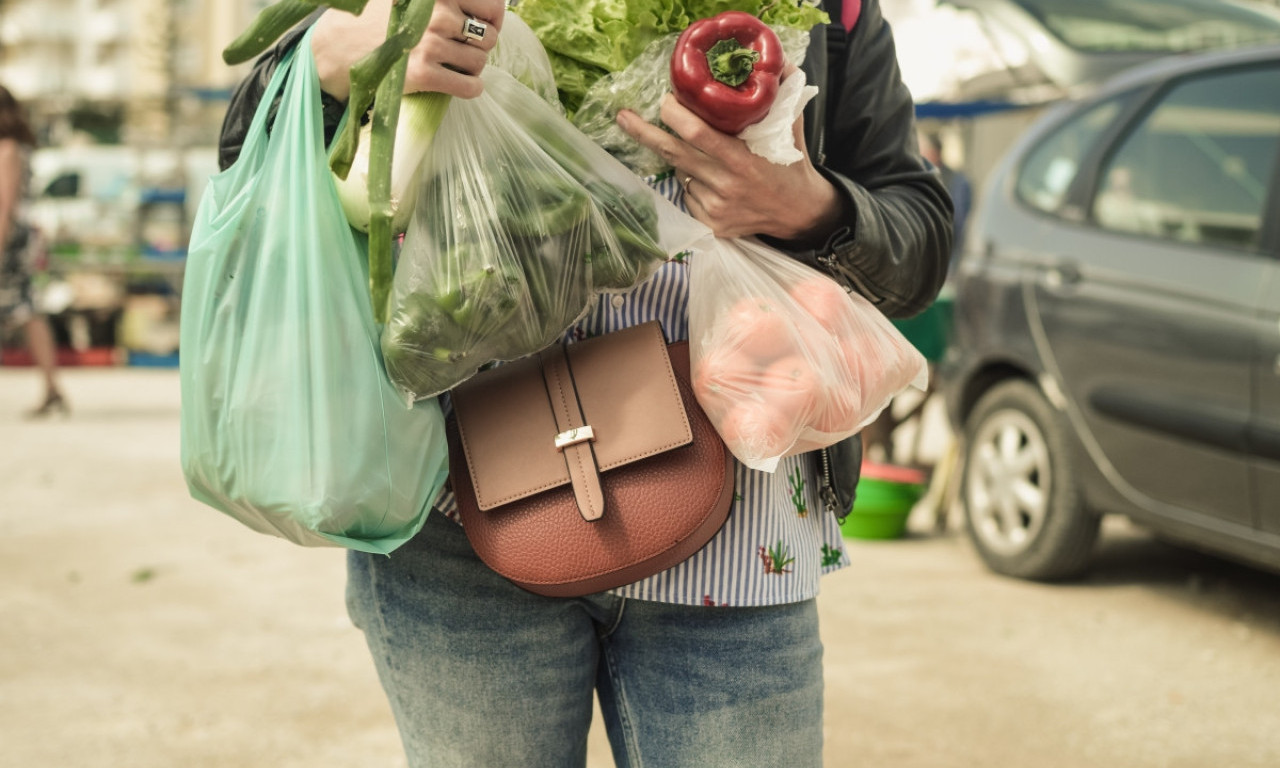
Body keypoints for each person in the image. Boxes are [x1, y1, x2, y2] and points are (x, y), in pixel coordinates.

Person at [218, 0, 952, 764]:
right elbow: (245, 161)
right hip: (457, 514)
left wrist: (813, 209)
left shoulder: (834, 12)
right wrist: (332, 60)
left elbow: (922, 234)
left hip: (738, 527)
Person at [0, 84, 67, 418]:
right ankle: (52, 389)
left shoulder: (8, 149)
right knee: (27, 311)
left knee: (26, 311)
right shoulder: (17, 146)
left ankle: (53, 388)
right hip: (18, 237)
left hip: (9, 239)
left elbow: (5, 205)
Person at [919, 130, 972, 279]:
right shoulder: (923, 178)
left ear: (934, 153)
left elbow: (960, 223)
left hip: (948, 255)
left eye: (923, 152)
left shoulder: (957, 181)